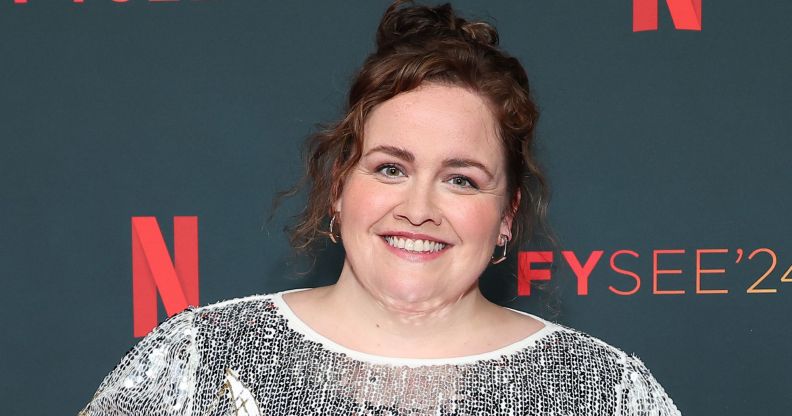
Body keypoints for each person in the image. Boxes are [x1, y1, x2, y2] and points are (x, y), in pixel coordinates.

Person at [80, 1, 681, 415]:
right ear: (340, 184)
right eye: (391, 168)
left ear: (507, 214)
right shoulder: (202, 360)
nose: (418, 209)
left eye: (462, 180)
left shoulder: (599, 391)